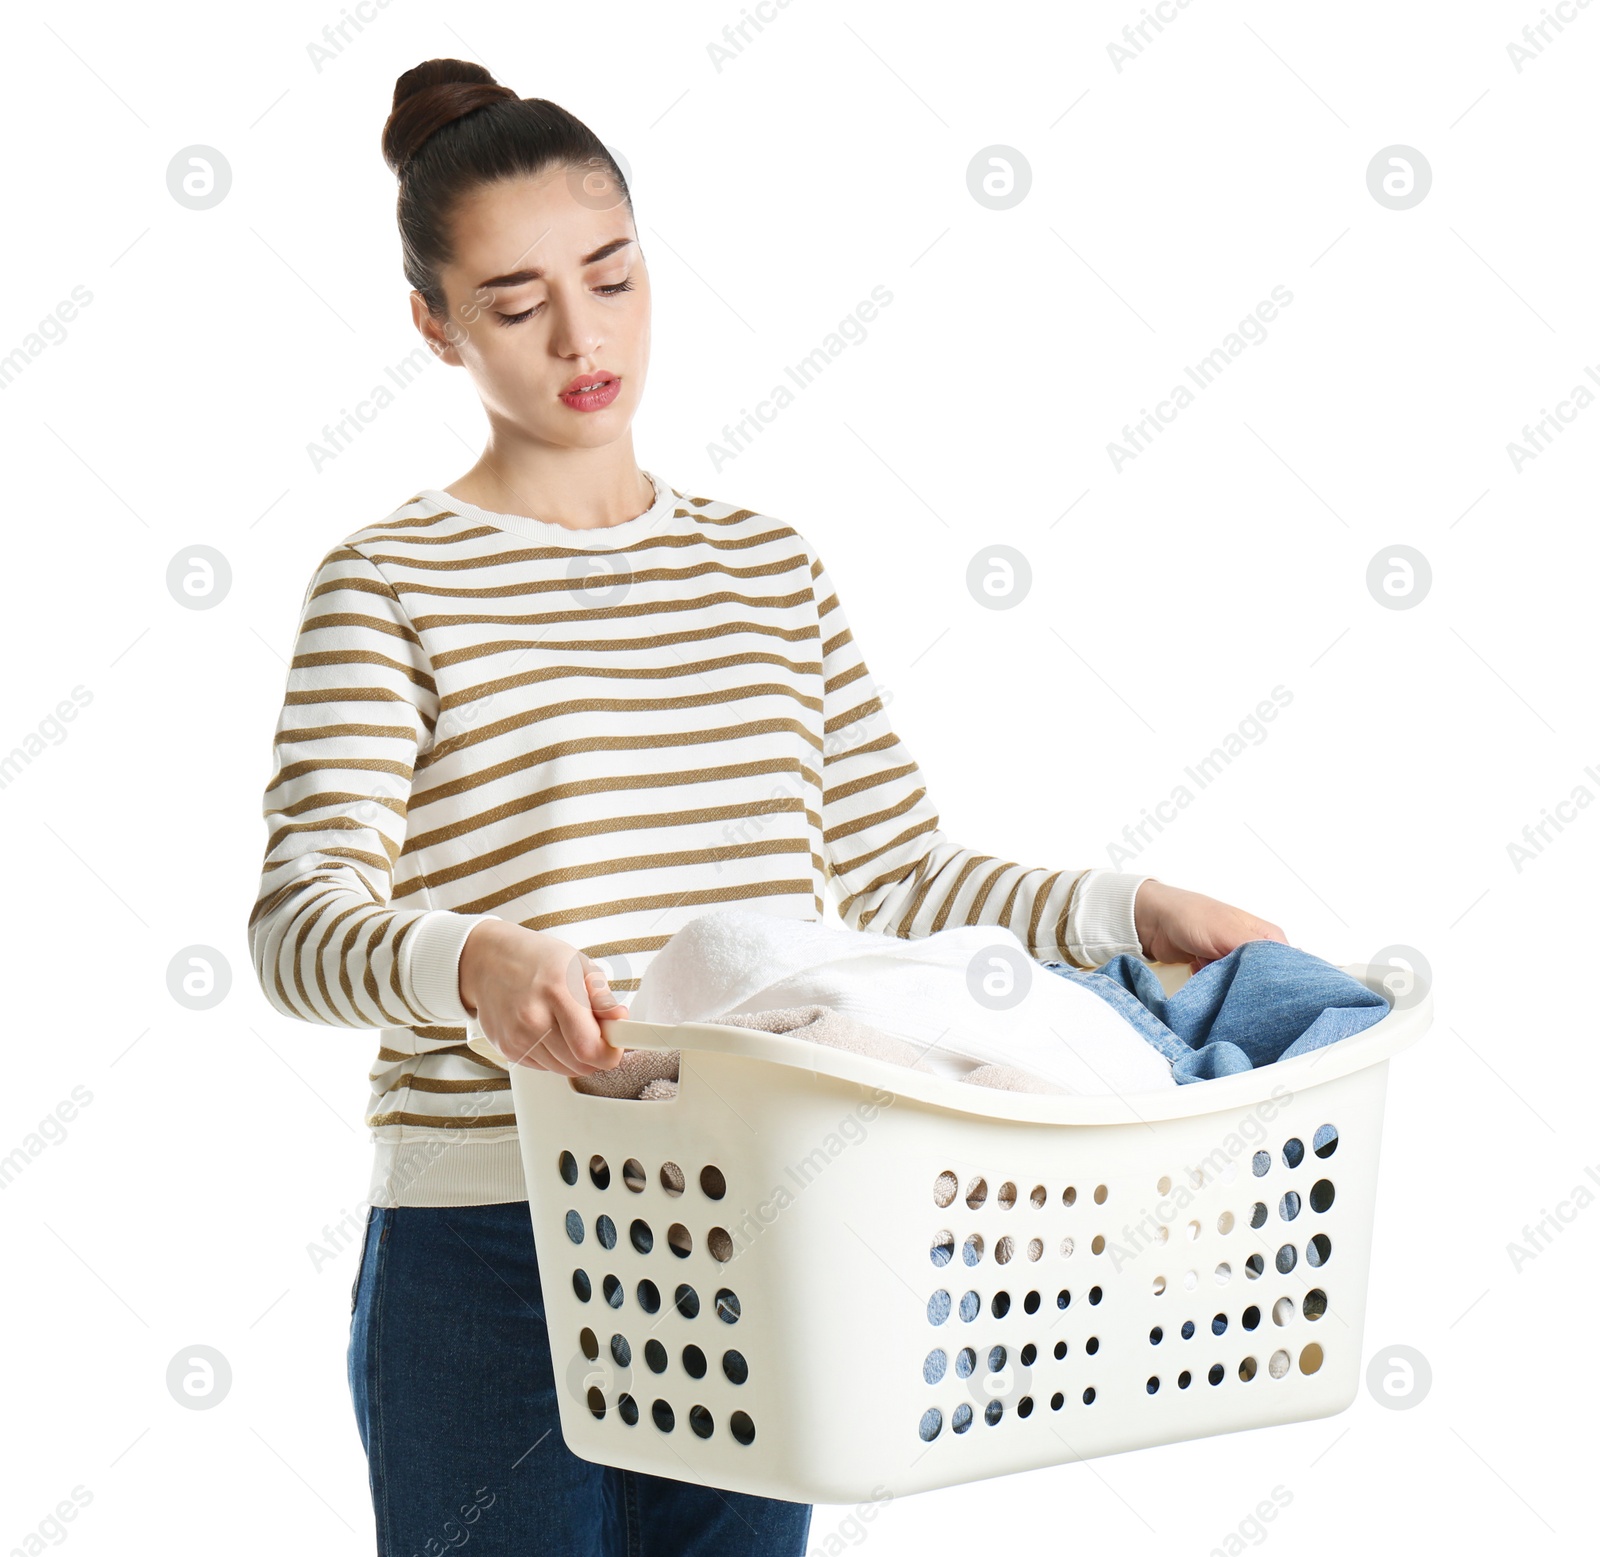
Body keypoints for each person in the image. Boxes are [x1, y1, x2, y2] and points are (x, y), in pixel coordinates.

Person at [246, 56, 1286, 1556]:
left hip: (748, 1230)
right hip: (493, 1249)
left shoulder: (765, 568)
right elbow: (300, 922)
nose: (582, 336)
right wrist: (472, 957)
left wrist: (1131, 908)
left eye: (610, 277)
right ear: (435, 322)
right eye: (517, 300)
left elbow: (898, 874)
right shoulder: (392, 582)